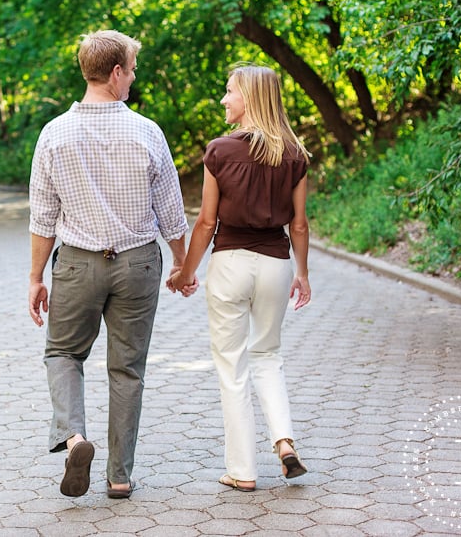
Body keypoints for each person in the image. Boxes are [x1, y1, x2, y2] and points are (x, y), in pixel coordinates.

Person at [28, 30, 190, 498]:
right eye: (133, 70)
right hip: (138, 263)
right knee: (128, 370)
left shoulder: (54, 133)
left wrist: (36, 278)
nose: (134, 78)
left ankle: (75, 437)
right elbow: (172, 213)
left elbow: (44, 216)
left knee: (62, 353)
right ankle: (119, 476)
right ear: (116, 73)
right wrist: (182, 265)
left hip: (77, 264)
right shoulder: (147, 131)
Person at [168, 63, 311, 492]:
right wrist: (301, 273)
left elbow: (206, 223)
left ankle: (243, 471)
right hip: (275, 264)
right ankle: (284, 441)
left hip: (230, 264)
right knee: (267, 355)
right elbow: (299, 225)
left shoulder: (219, 152)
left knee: (232, 367)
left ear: (248, 98)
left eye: (229, 92)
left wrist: (185, 272)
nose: (224, 99)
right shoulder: (294, 154)